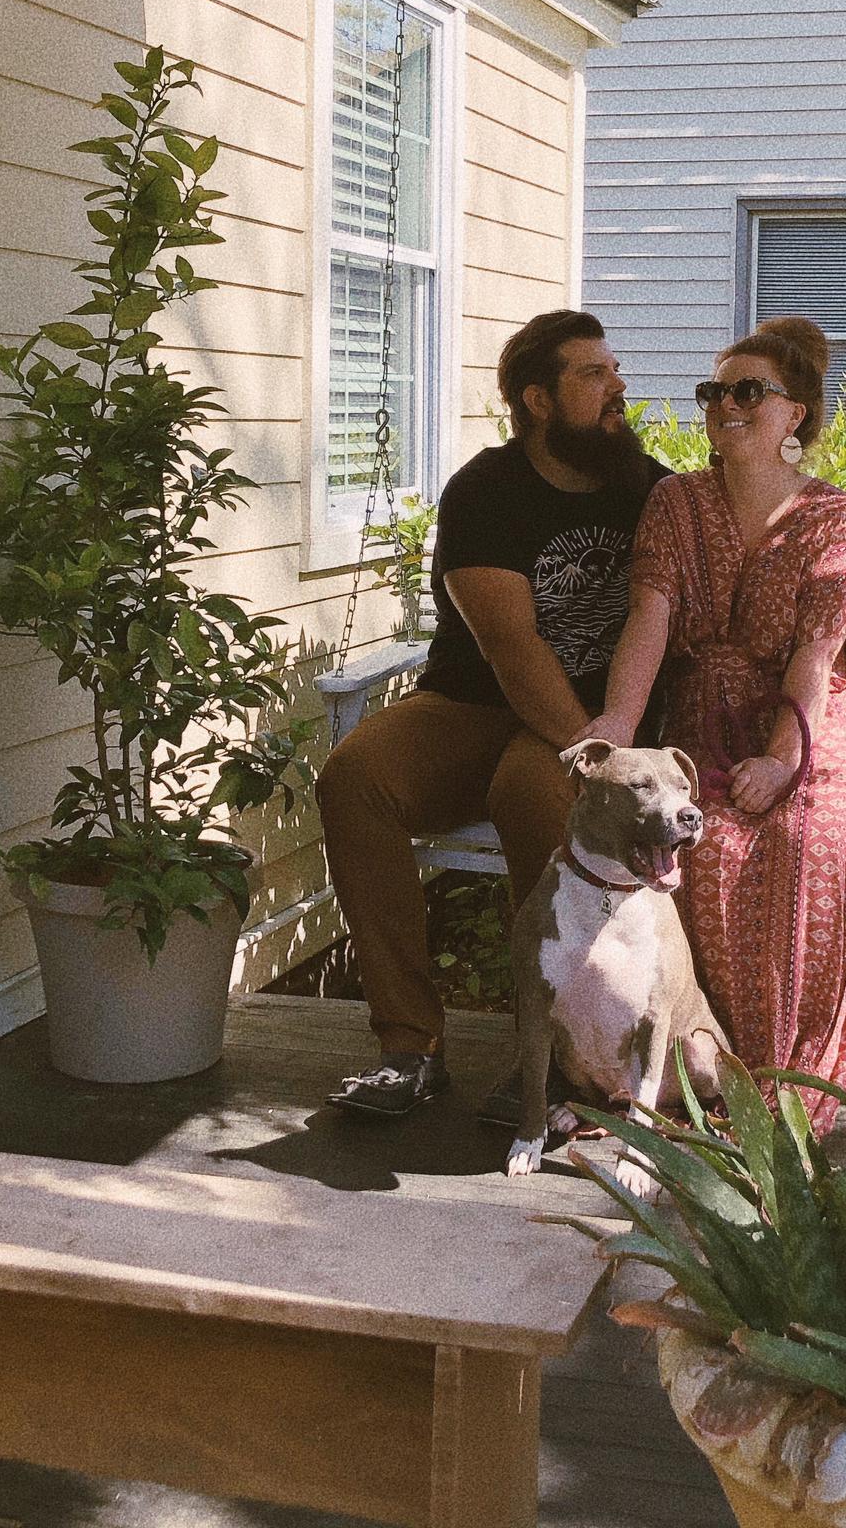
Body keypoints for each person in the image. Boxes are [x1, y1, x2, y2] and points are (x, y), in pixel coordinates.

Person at [319, 309, 668, 1116]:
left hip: (595, 715)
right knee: (355, 778)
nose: (618, 386)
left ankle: (558, 1061)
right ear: (539, 400)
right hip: (474, 703)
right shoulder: (485, 491)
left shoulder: (648, 489)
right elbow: (512, 650)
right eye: (594, 374)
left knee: (534, 791)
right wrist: (593, 753)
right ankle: (409, 1049)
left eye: (613, 369)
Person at [585, 317, 846, 1130]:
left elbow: (817, 656)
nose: (724, 405)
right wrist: (617, 723)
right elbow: (650, 620)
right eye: (714, 392)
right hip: (703, 715)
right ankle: (696, 1065)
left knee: (807, 835)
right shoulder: (677, 502)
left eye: (747, 392)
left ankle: (782, 1079)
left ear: (794, 412)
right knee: (700, 837)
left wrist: (782, 759)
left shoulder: (838, 519)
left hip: (815, 722)